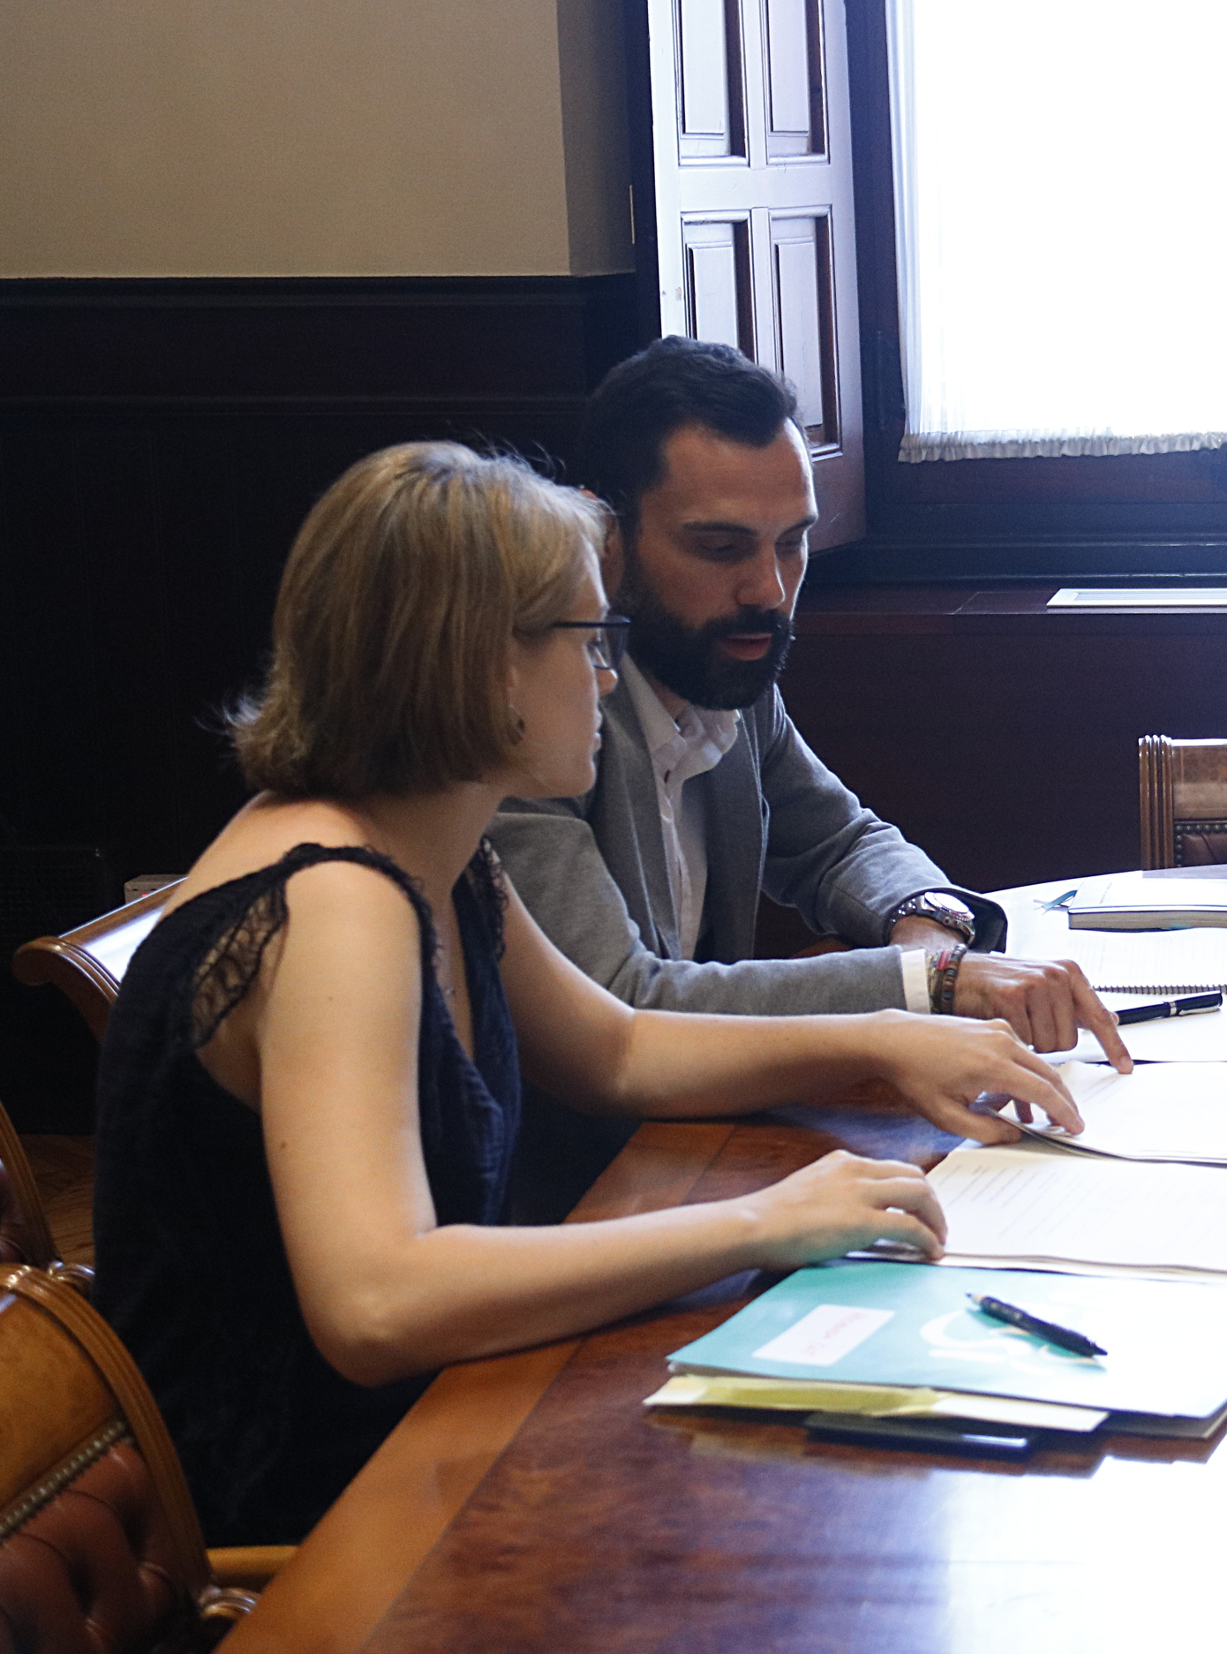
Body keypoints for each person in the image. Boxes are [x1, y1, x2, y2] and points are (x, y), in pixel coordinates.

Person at [91, 442, 1082, 1545]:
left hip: (432, 1435)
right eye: (589, 636)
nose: (611, 675)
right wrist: (762, 1218)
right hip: (321, 1523)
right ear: (476, 660)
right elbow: (377, 1301)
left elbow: (614, 1048)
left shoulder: (437, 845)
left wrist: (889, 1034)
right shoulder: (335, 898)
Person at [491, 338, 1128, 1217]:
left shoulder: (730, 672)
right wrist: (926, 988)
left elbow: (840, 842)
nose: (769, 589)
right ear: (603, 538)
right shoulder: (527, 716)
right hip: (557, 1209)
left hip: (693, 1165)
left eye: (792, 544)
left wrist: (930, 926)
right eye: (720, 547)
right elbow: (626, 1008)